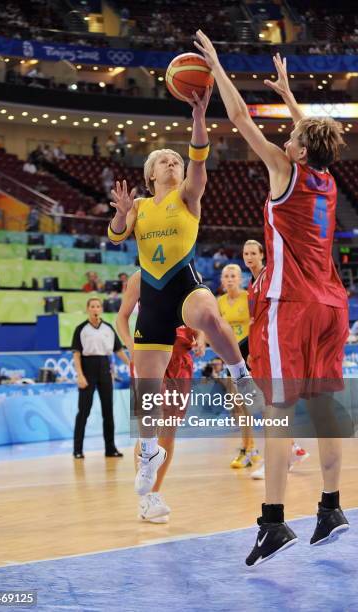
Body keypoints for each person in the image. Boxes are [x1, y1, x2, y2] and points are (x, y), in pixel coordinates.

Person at [195, 32, 349, 566]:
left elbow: (240, 120)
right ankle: (330, 508)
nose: (286, 138)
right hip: (334, 306)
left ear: (299, 151)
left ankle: (274, 521)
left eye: (292, 135)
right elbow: (318, 137)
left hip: (293, 306)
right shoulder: (327, 179)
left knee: (278, 413)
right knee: (324, 407)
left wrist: (216, 66)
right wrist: (289, 98)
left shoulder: (285, 171)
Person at [108, 86, 251, 499]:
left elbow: (199, 161)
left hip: (184, 286)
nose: (172, 163)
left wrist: (199, 117)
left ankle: (240, 373)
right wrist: (120, 216)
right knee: (146, 390)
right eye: (164, 161)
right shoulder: (140, 209)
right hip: (152, 299)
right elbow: (116, 236)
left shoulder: (189, 197)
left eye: (176, 160)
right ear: (150, 174)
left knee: (208, 312)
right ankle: (149, 452)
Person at [116, 270, 206, 522]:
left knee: (169, 430)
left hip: (181, 359)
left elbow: (201, 318)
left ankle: (155, 494)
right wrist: (131, 345)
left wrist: (201, 337)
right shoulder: (140, 277)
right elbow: (121, 317)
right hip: (151, 353)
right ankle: (145, 499)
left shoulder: (192, 274)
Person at [242, 240, 309, 480]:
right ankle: (292, 449)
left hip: (274, 347)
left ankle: (275, 460)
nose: (249, 257)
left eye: (253, 253)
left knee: (272, 407)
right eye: (245, 253)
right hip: (259, 349)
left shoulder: (270, 276)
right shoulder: (252, 283)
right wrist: (251, 349)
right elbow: (255, 320)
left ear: (263, 255)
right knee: (268, 406)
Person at [71, 297, 129, 458]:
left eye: (98, 306)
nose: (95, 309)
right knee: (83, 411)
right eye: (92, 306)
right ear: (88, 309)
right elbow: (76, 354)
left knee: (108, 411)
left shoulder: (108, 328)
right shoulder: (81, 329)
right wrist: (80, 375)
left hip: (105, 368)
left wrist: (131, 364)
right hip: (87, 368)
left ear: (101, 309)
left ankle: (110, 448)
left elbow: (118, 351)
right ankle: (77, 449)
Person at [217, 263, 260, 469]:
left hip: (251, 354)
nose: (230, 279)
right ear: (222, 281)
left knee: (260, 404)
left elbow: (258, 324)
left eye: (233, 275)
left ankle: (287, 446)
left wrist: (254, 351)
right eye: (226, 276)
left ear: (240, 279)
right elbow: (215, 330)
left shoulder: (248, 297)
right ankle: (248, 448)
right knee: (239, 405)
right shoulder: (220, 302)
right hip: (231, 357)